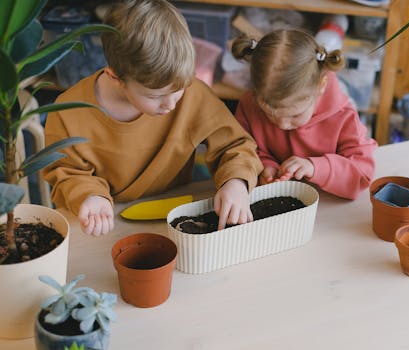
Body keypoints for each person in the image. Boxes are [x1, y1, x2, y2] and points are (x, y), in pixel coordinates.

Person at [43, 0, 263, 236]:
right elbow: (66, 173)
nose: (171, 104)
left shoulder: (192, 93)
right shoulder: (67, 112)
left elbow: (235, 145)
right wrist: (90, 195)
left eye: (180, 88)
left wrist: (236, 182)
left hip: (173, 213)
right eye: (155, 95)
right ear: (115, 77)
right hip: (105, 224)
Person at [232, 29, 377, 200]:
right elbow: (244, 149)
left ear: (321, 85)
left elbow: (362, 174)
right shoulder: (250, 104)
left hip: (328, 204)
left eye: (295, 115)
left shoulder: (344, 116)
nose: (282, 125)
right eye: (269, 114)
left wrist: (315, 167)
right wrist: (266, 167)